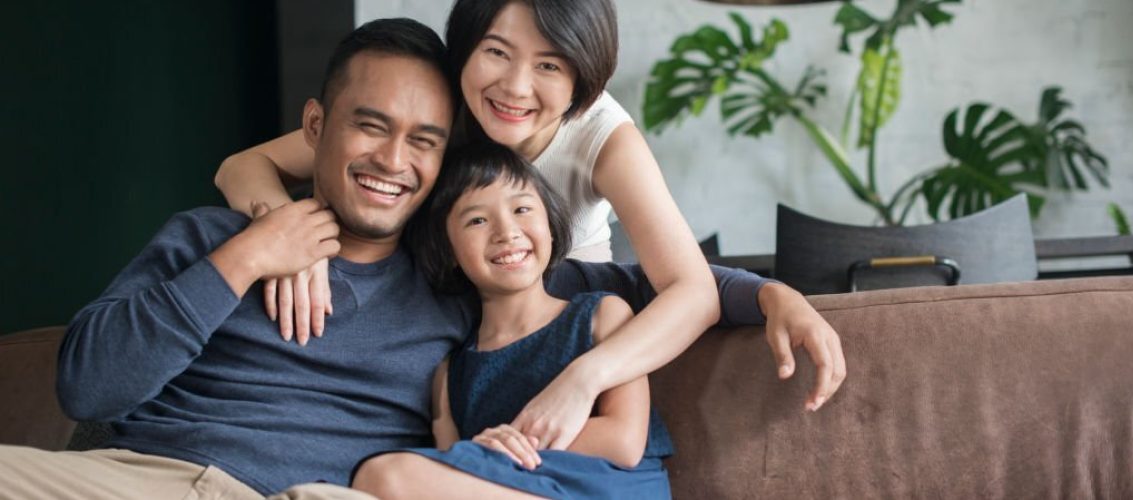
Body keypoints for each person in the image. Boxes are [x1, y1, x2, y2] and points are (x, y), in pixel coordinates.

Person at [0, 18, 824, 499]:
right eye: (371, 126)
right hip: (140, 479)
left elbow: (650, 282)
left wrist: (774, 295)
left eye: (424, 142)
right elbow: (86, 385)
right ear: (316, 126)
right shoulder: (206, 237)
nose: (395, 159)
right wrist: (252, 252)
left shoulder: (456, 273)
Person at [216, 0, 846, 432]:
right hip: (450, 334)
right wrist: (287, 235)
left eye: (548, 65)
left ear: (584, 79)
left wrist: (583, 377)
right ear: (464, 50)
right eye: (496, 52)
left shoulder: (604, 138)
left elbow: (688, 290)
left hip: (553, 335)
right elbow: (241, 169)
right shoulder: (435, 110)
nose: (515, 88)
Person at [354, 143, 673, 498]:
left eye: (522, 209)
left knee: (385, 476)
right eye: (477, 220)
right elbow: (452, 471)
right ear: (449, 251)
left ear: (550, 226)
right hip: (511, 489)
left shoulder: (601, 315)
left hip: (605, 490)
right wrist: (481, 453)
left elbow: (624, 441)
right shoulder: (451, 371)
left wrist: (502, 448)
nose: (506, 231)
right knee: (385, 477)